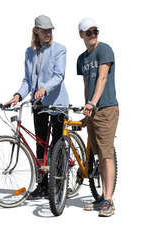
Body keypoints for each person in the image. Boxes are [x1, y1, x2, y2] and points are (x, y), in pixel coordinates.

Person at [5, 15, 69, 200]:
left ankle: (58, 185)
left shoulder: (60, 50)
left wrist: (44, 88)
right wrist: (17, 95)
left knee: (57, 144)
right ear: (36, 31)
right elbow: (27, 80)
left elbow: (59, 76)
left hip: (57, 103)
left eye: (51, 30)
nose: (48, 33)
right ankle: (42, 185)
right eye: (45, 30)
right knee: (40, 144)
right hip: (38, 104)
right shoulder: (29, 52)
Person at [77, 18, 119, 217]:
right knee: (98, 157)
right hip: (93, 109)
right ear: (81, 35)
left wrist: (93, 104)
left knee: (106, 154)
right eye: (89, 32)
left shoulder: (105, 50)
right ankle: (102, 197)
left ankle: (109, 200)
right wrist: (87, 109)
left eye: (95, 31)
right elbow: (87, 84)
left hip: (106, 108)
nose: (93, 34)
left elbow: (102, 77)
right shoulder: (82, 59)